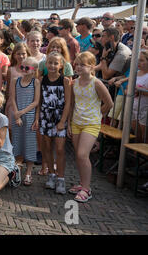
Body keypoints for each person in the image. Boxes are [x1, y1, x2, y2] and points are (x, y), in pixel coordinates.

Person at [68, 51, 113, 203]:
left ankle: (86, 188)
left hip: (91, 124)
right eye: (77, 64)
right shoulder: (74, 82)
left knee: (82, 154)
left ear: (92, 66)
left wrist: (97, 114)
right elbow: (72, 104)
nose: (78, 67)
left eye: (82, 65)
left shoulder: (97, 83)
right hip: (76, 122)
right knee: (78, 155)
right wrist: (68, 123)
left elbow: (109, 103)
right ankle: (82, 184)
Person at [35, 52, 71, 195]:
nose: (52, 65)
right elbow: (39, 101)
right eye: (50, 62)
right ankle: (51, 174)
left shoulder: (65, 81)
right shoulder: (41, 80)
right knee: (47, 147)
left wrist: (63, 121)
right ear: (45, 64)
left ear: (61, 65)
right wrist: (38, 118)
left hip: (59, 117)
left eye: (56, 63)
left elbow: (68, 103)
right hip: (45, 116)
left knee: (61, 149)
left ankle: (61, 178)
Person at [9, 57, 40, 186]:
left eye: (27, 68)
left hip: (29, 116)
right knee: (17, 142)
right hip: (17, 115)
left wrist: (22, 112)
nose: (24, 70)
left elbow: (36, 101)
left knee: (30, 144)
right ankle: (17, 169)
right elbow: (12, 98)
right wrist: (16, 114)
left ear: (33, 70)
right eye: (22, 67)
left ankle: (29, 172)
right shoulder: (15, 81)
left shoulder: (36, 82)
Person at [132, 49, 148, 143]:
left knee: (145, 136)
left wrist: (140, 91)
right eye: (138, 60)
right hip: (134, 106)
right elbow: (128, 90)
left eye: (142, 60)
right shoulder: (136, 73)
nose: (139, 62)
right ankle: (135, 155)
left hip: (145, 108)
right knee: (136, 134)